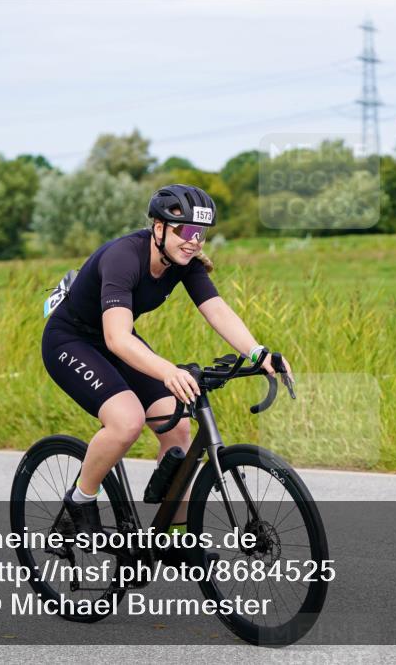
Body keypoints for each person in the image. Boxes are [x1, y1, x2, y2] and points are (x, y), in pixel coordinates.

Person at [41, 183, 293, 551]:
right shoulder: (124, 257)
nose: (193, 241)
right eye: (184, 230)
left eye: (201, 233)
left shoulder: (183, 263)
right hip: (72, 341)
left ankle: (174, 534)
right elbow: (116, 339)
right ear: (158, 228)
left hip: (118, 339)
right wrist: (167, 371)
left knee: (177, 427)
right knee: (126, 421)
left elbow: (217, 311)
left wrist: (258, 354)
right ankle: (77, 505)